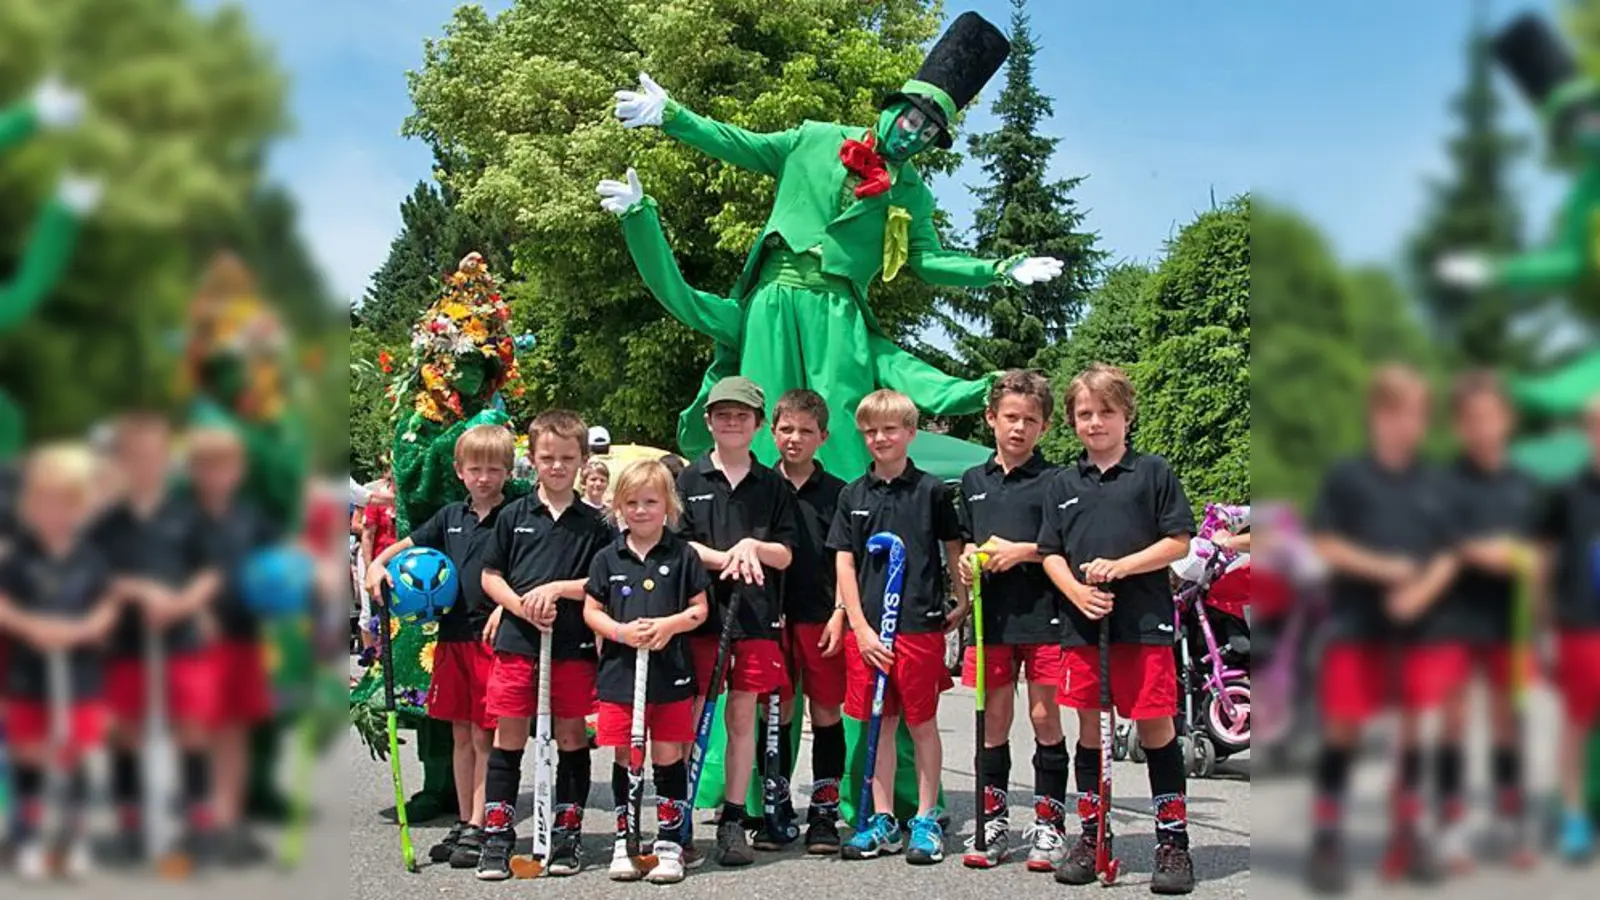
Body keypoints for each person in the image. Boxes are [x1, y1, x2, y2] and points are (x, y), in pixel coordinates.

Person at [1036, 363, 1196, 894]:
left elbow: (1178, 542)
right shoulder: (1062, 482)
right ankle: (1092, 836)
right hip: (1084, 626)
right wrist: (1077, 591)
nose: (1096, 422)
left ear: (1126, 415)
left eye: (1106, 412)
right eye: (1085, 414)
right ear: (1072, 422)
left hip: (1144, 624)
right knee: (1092, 733)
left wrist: (1121, 567)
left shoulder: (1153, 473)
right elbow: (1049, 553)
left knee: (1155, 729)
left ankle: (1172, 844)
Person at [1303, 364, 1459, 893]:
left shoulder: (1436, 481)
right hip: (1355, 624)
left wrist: (1422, 590)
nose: (1407, 424)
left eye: (1417, 413)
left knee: (1413, 732)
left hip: (1420, 627)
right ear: (1377, 416)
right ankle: (1327, 835)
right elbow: (1326, 543)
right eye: (1397, 412)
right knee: (1343, 729)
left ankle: (1406, 834)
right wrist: (1386, 569)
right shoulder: (1348, 477)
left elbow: (1449, 552)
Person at [365, 424, 516, 870]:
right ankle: (467, 819)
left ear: (508, 471)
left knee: (485, 736)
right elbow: (401, 547)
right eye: (475, 469)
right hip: (452, 641)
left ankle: (484, 823)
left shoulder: (514, 517)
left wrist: (506, 610)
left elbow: (526, 573)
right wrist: (376, 566)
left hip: (491, 640)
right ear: (460, 471)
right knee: (460, 735)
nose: (484, 477)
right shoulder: (451, 516)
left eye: (493, 469)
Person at [829, 389, 967, 863]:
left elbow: (953, 548)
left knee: (921, 724)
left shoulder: (931, 490)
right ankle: (883, 818)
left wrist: (963, 600)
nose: (880, 438)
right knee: (879, 728)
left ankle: (926, 817)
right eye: (870, 431)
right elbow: (844, 566)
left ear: (910, 433)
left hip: (917, 626)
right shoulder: (852, 494)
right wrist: (860, 628)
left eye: (890, 429)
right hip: (867, 631)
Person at [475, 410, 612, 879]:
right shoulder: (513, 515)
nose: (557, 466)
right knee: (508, 734)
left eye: (567, 458)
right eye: (547, 457)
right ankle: (497, 835)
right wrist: (518, 604)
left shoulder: (596, 522)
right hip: (518, 643)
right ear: (531, 459)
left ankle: (567, 830)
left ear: (581, 461)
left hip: (571, 645)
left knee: (572, 735)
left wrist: (558, 590)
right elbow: (490, 575)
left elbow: (604, 582)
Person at [674, 375, 797, 866]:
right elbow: (676, 543)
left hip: (755, 618)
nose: (731, 422)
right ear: (708, 421)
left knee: (742, 717)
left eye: (742, 415)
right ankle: (675, 817)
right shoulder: (688, 479)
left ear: (758, 425)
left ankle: (732, 820)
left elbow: (785, 555)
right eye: (722, 414)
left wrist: (753, 547)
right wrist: (725, 556)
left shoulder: (772, 484)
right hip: (697, 617)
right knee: (689, 718)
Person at [91, 412, 222, 866]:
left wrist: (183, 604)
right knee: (124, 731)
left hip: (182, 635)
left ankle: (197, 820)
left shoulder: (187, 515)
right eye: (134, 458)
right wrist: (135, 591)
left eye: (153, 457)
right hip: (126, 639)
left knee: (191, 729)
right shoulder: (106, 522)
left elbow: (209, 572)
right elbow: (93, 576)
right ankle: (130, 817)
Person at [955, 370, 1067, 870]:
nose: (1018, 429)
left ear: (1043, 427)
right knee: (992, 723)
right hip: (991, 620)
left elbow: (1064, 547)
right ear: (990, 419)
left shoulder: (1058, 480)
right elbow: (962, 544)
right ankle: (992, 820)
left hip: (1046, 618)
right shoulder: (973, 482)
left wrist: (1022, 552)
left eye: (1030, 421)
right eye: (1010, 418)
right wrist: (964, 565)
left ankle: (1049, 822)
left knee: (1045, 719)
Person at [0, 442, 125, 879]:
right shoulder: (18, 560)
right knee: (30, 757)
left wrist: (86, 628)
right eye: (44, 502)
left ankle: (72, 840)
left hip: (81, 676)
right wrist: (30, 626)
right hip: (29, 676)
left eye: (64, 503)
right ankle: (31, 837)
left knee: (78, 756)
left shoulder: (91, 560)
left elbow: (108, 606)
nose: (54, 513)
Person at [1433, 371, 1542, 870]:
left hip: (1509, 621)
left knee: (1507, 724)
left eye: (1491, 417)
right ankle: (1451, 824)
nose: (1482, 427)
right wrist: (1482, 551)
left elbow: (1544, 550)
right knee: (1454, 722)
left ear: (1506, 421)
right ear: (1460, 425)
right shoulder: (1445, 481)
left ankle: (1510, 819)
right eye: (1472, 419)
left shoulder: (1525, 484)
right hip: (1454, 617)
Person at [583, 459, 710, 883]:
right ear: (618, 506)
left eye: (651, 502)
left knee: (669, 755)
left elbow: (699, 610)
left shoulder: (683, 554)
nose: (641, 510)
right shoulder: (606, 557)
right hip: (620, 675)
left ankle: (670, 843)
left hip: (671, 674)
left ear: (668, 506)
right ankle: (626, 840)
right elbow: (591, 611)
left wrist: (668, 626)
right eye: (632, 502)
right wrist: (620, 631)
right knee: (625, 755)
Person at [182, 426, 281, 865]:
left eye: (225, 465)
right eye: (207, 466)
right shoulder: (180, 519)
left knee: (235, 732)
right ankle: (199, 821)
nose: (217, 474)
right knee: (197, 729)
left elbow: (274, 571)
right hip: (197, 640)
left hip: (244, 636)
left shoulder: (252, 518)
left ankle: (229, 819)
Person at [769, 388, 849, 853]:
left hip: (821, 617)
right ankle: (774, 804)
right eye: (786, 429)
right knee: (772, 711)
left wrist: (841, 612)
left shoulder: (840, 493)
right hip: (769, 620)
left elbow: (847, 561)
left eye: (805, 430)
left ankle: (823, 809)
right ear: (772, 432)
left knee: (825, 713)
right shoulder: (759, 487)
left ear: (822, 436)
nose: (794, 438)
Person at [1537, 395, 1600, 861]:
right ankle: (1574, 815)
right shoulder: (1565, 494)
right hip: (1579, 625)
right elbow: (1542, 562)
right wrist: (1542, 630)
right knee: (1577, 725)